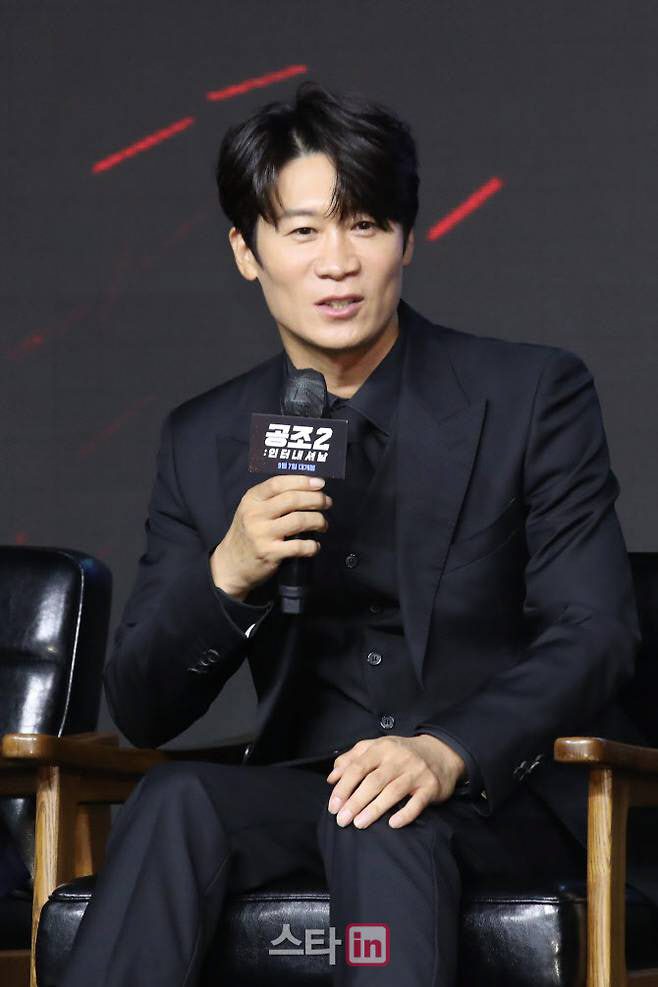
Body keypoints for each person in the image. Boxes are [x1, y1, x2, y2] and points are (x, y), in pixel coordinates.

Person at [60, 80, 645, 987]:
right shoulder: (204, 439)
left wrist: (446, 749)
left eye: (365, 225)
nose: (337, 262)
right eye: (302, 231)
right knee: (176, 797)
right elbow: (141, 704)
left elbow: (596, 631)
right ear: (247, 251)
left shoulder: (529, 395)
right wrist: (229, 572)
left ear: (407, 240)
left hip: (500, 795)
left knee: (378, 820)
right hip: (310, 787)